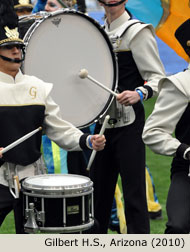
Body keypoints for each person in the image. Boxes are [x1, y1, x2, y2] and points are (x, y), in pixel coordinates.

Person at [0, 0, 106, 234]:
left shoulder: (39, 87)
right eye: (9, 48)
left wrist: (86, 141)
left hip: (35, 181)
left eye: (18, 47)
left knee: (50, 235)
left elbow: (59, 129)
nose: (16, 51)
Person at [89, 0, 165, 233]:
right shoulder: (96, 32)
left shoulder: (137, 31)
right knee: (98, 196)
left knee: (134, 196)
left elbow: (157, 78)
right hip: (101, 123)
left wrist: (140, 93)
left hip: (129, 124)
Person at [142, 18, 190, 234]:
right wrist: (184, 150)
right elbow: (153, 132)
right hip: (187, 169)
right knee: (178, 228)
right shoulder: (180, 84)